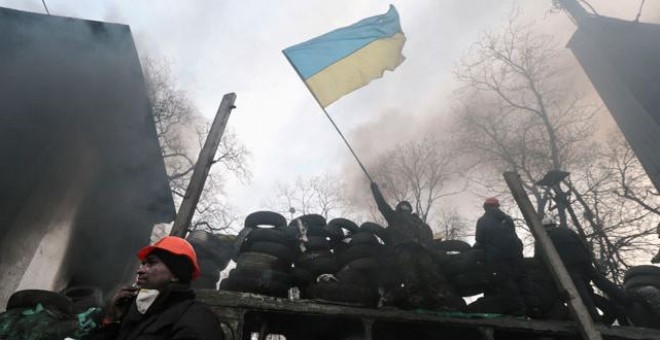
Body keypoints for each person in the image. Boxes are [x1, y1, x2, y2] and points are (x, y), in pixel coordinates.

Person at [85, 236, 223, 340]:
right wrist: (111, 320)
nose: (141, 270)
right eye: (143, 264)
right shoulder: (133, 309)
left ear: (175, 274)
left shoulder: (197, 317)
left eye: (151, 263)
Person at [535, 217, 628, 321]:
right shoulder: (568, 231)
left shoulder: (543, 237)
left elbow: (539, 258)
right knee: (600, 281)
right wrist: (591, 261)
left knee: (583, 295)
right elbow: (584, 245)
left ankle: (595, 320)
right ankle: (625, 298)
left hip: (569, 267)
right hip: (585, 262)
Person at [474, 197, 538, 316]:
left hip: (497, 256)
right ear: (497, 206)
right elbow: (512, 233)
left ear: (486, 207)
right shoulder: (507, 218)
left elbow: (479, 238)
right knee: (523, 279)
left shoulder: (482, 220)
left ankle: (519, 310)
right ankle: (534, 308)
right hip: (515, 253)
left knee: (507, 281)